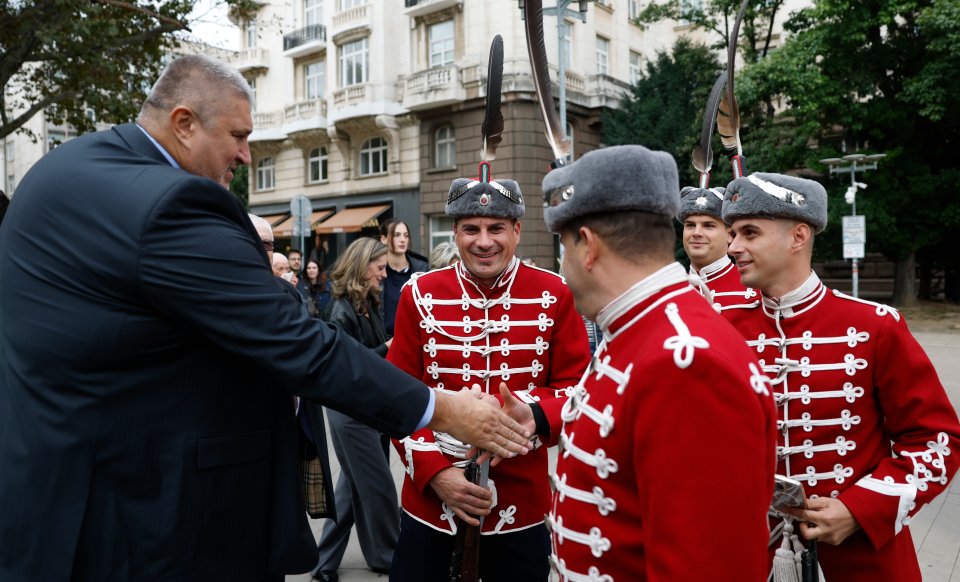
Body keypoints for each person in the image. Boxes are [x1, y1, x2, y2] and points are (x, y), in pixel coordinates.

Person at [0, 54, 532, 582]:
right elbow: (295, 342)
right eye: (237, 135)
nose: (246, 155)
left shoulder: (62, 169)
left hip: (60, 491)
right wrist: (441, 409)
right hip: (144, 519)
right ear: (183, 123)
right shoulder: (170, 204)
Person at [537, 145, 777, 581]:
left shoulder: (684, 362)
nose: (563, 267)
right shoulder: (639, 330)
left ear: (587, 247)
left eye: (563, 249)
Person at [720, 172, 960, 581]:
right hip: (746, 556)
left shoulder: (875, 325)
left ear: (798, 237)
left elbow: (936, 441)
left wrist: (860, 509)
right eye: (732, 234)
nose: (733, 248)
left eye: (749, 233)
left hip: (860, 558)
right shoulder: (716, 328)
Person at [387, 174, 592, 581]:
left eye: (496, 228)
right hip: (431, 506)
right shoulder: (420, 293)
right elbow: (396, 394)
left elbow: (579, 389)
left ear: (516, 230)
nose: (484, 241)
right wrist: (437, 474)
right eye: (471, 229)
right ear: (456, 233)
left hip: (521, 507)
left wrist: (527, 418)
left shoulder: (555, 293)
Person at [309, 238, 397, 582]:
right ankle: (394, 557)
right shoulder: (341, 309)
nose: (384, 274)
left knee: (348, 492)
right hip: (350, 413)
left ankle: (323, 563)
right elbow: (350, 366)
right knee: (379, 489)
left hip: (361, 409)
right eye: (380, 267)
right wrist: (389, 346)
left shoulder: (365, 303)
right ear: (363, 266)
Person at [677, 185, 758, 312]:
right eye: (690, 225)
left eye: (708, 226)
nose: (696, 233)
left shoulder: (757, 288)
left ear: (730, 235)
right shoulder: (670, 290)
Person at [379, 219, 428, 336]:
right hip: (384, 343)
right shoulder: (377, 272)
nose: (402, 240)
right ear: (383, 239)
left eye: (406, 236)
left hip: (413, 341)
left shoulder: (421, 270)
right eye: (396, 235)